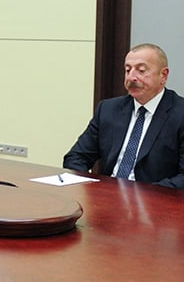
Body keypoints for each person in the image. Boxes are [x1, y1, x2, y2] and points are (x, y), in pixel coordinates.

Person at [63, 43, 184, 188]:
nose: (131, 77)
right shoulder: (108, 109)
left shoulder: (179, 113)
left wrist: (144, 195)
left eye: (141, 70)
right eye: (127, 70)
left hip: (156, 202)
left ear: (163, 75)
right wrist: (92, 188)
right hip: (107, 198)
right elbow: (76, 157)